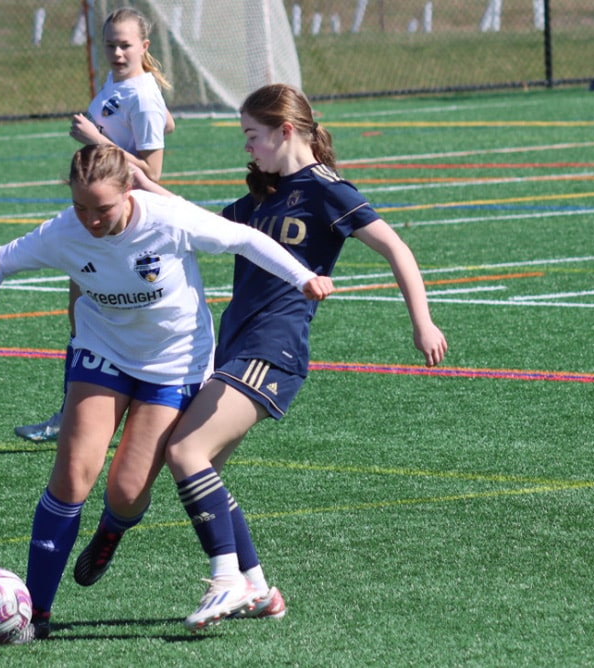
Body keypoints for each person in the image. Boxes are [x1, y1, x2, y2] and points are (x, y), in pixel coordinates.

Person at [73, 83, 448, 631]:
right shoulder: (260, 198)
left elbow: (397, 247)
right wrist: (131, 170)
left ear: (285, 131)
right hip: (235, 346)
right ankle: (257, 586)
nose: (247, 147)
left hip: (273, 347)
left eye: (252, 135)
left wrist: (423, 321)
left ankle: (225, 582)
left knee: (185, 451)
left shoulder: (325, 189)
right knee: (205, 474)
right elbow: (190, 216)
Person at [0, 143, 331, 641]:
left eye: (103, 209)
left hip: (173, 363)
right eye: (81, 208)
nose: (91, 220)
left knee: (128, 492)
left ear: (128, 192)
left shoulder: (169, 219)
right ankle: (37, 612)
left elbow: (245, 239)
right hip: (101, 353)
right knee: (72, 476)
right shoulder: (64, 232)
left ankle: (112, 530)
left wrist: (304, 277)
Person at [15, 6, 175, 443]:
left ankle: (96, 413)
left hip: (124, 223)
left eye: (125, 45)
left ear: (144, 46)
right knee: (82, 314)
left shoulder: (139, 93)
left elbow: (152, 172)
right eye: (111, 45)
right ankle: (76, 413)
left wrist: (97, 140)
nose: (117, 53)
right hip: (100, 219)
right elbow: (165, 123)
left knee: (104, 317)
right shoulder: (124, 85)